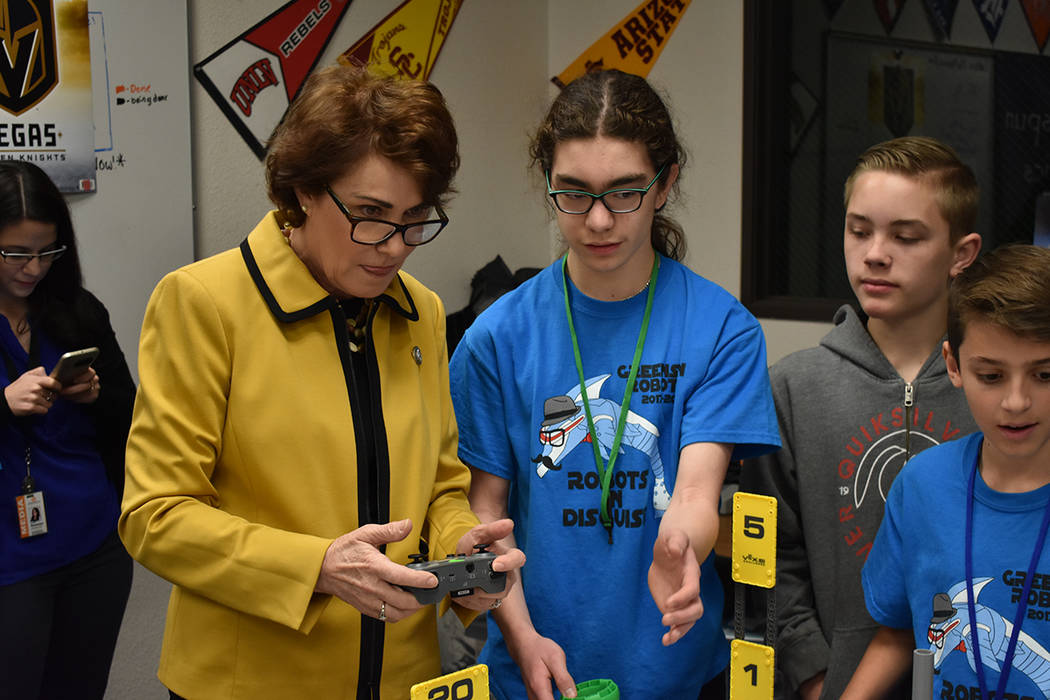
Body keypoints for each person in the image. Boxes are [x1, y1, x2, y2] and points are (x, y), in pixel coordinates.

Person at [118, 65, 524, 700]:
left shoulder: (420, 310)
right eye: (370, 214)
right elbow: (155, 516)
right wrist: (317, 568)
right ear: (304, 189)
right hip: (252, 683)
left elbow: (442, 486)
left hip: (403, 677)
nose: (394, 246)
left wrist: (460, 548)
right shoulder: (203, 303)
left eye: (416, 217)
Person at [448, 69, 781, 700]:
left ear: (665, 184)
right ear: (548, 183)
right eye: (573, 194)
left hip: (674, 670)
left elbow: (695, 490)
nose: (598, 220)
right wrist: (521, 636)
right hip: (532, 669)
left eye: (625, 192)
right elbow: (486, 510)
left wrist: (680, 546)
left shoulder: (721, 329)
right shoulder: (495, 337)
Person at [738, 136, 983, 699]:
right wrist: (814, 674)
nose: (875, 253)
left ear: (961, 253)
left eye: (906, 236)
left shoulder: (995, 390)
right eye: (859, 230)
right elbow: (768, 555)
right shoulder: (792, 387)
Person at [842, 244, 1050, 699]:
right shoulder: (923, 484)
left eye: (1044, 375)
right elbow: (900, 631)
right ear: (954, 365)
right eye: (991, 376)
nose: (1017, 402)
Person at [0, 160, 136, 699]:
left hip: (93, 544)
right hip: (11, 563)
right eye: (15, 253)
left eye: (47, 251)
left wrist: (97, 396)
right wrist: (3, 404)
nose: (33, 268)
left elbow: (133, 416)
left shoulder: (77, 310)